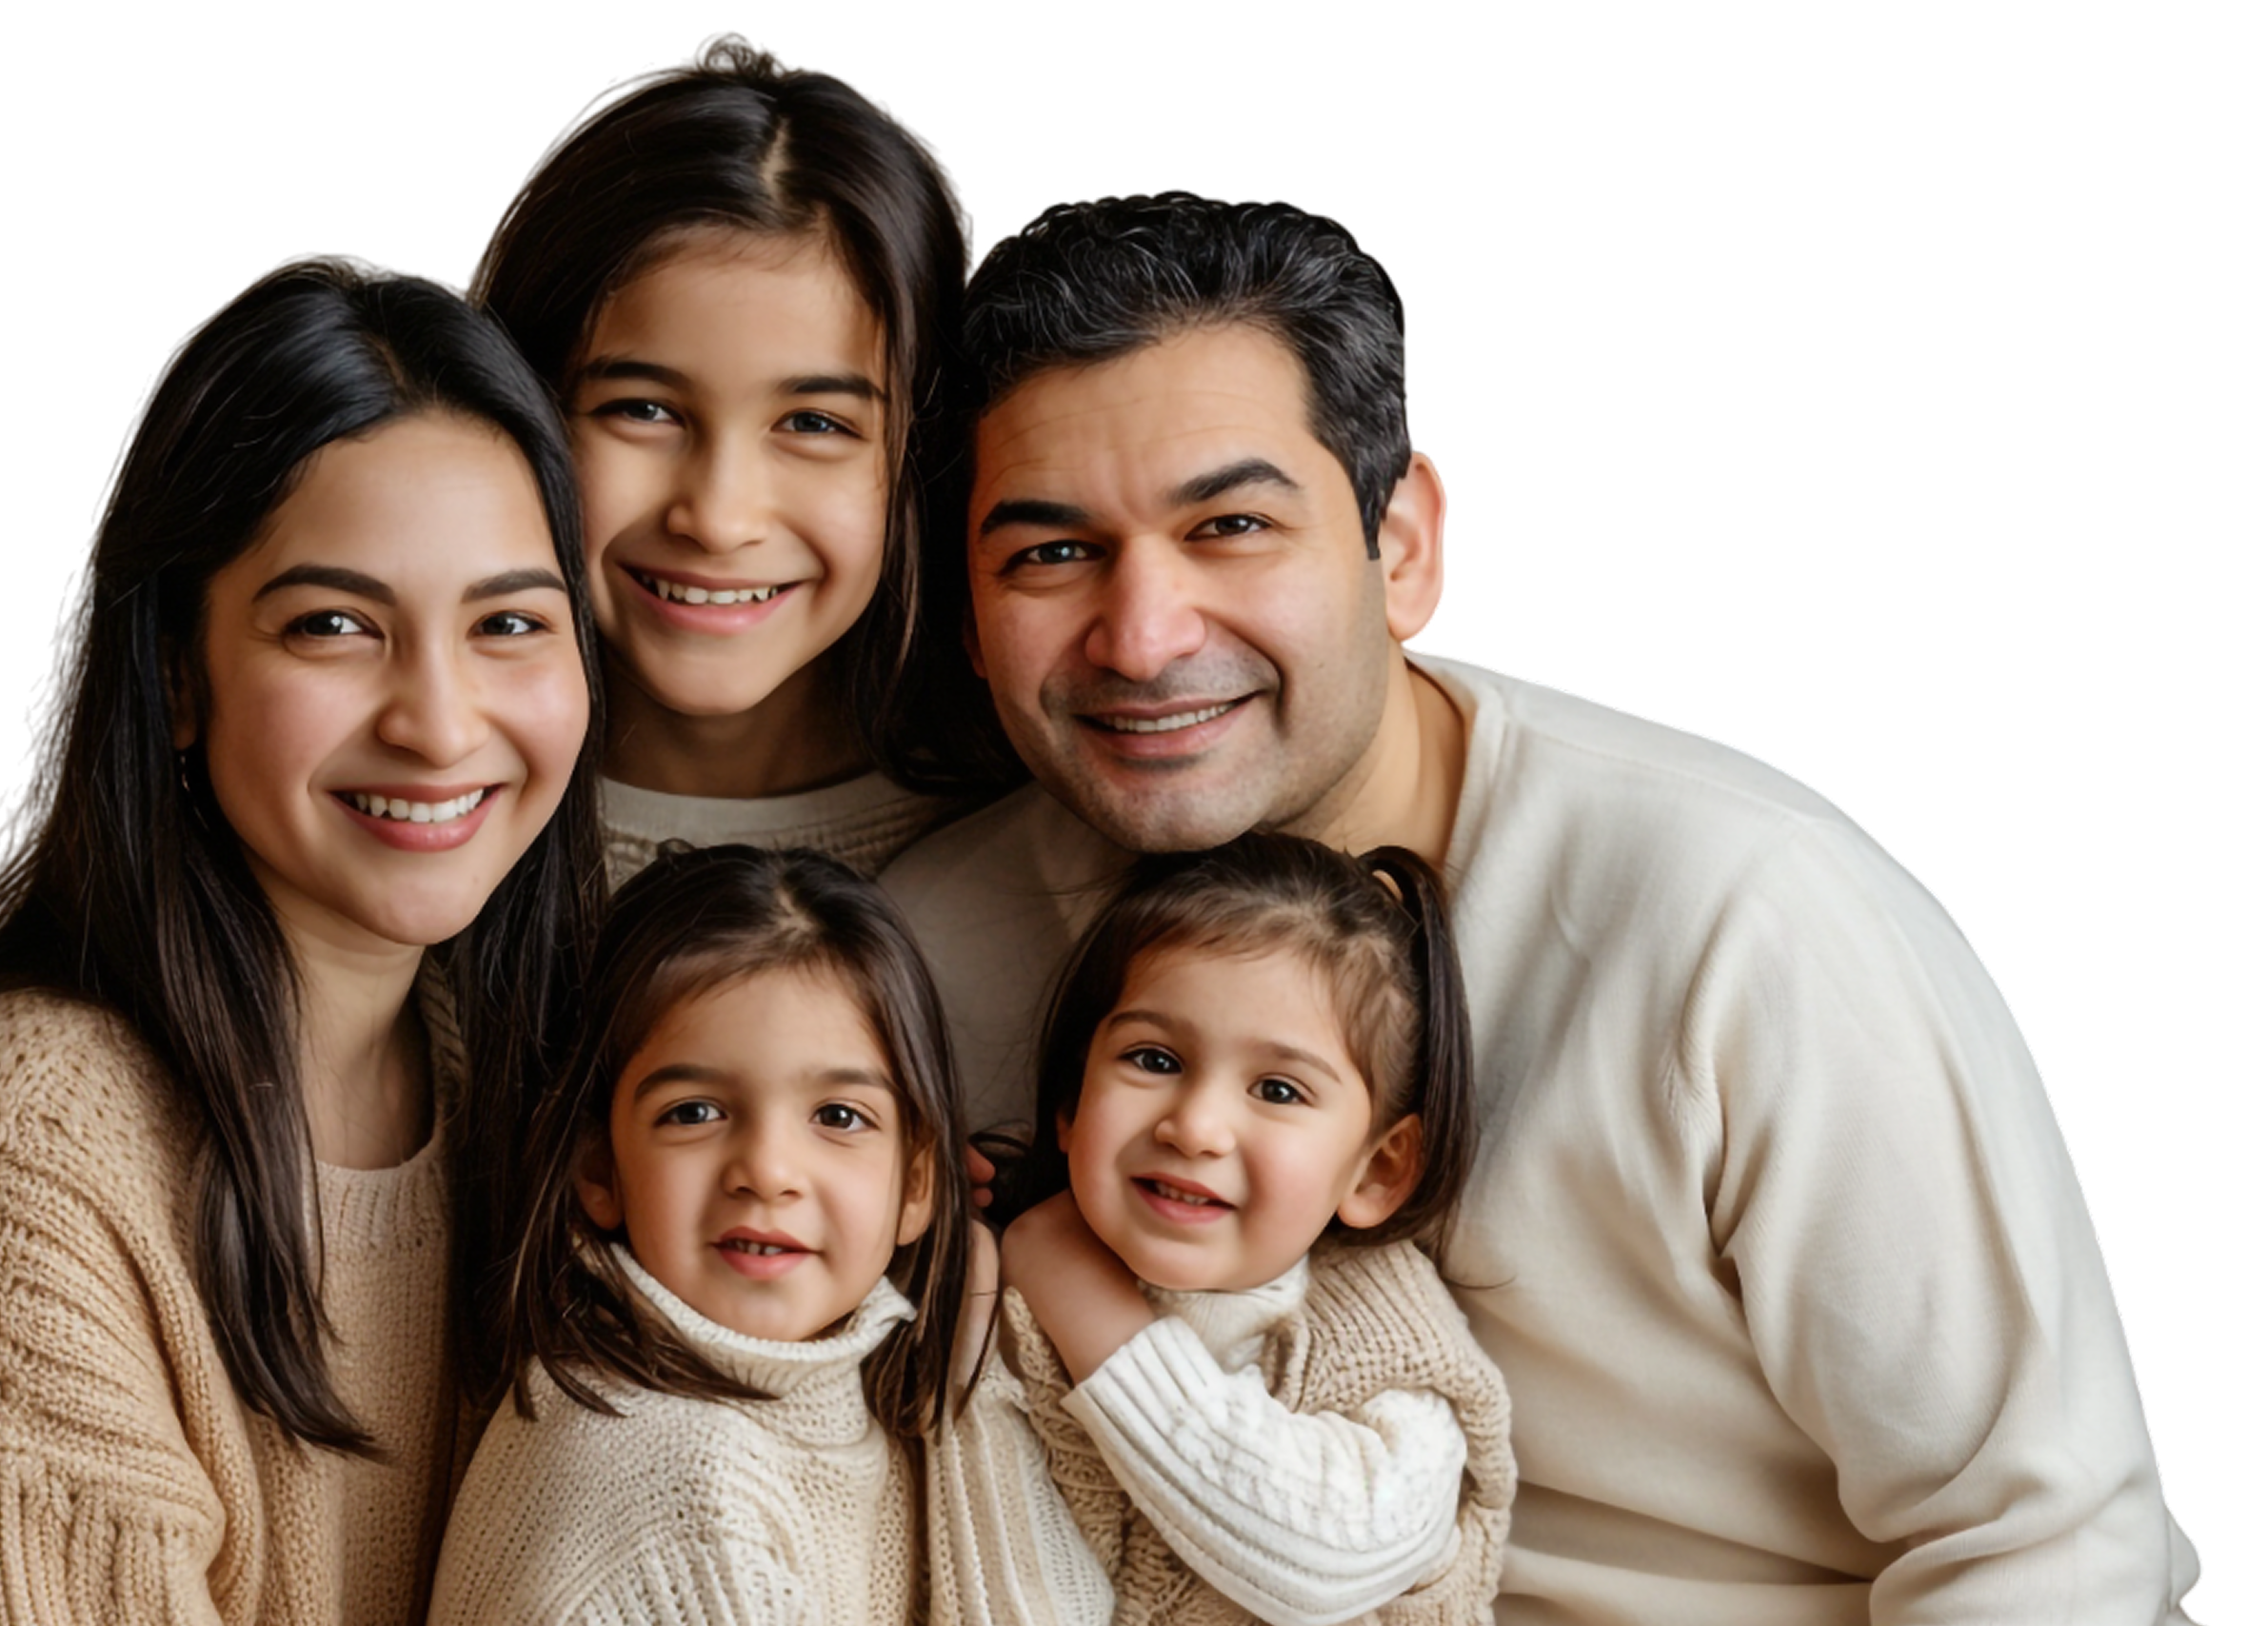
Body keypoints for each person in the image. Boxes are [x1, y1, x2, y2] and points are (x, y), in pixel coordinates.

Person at [0, 42, 998, 1623]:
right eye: (638, 407)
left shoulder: (553, 988)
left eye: (502, 626)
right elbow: (27, 1222)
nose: (719, 507)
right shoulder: (419, 899)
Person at [881, 194, 2203, 1621]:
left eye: (1234, 525)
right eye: (1051, 554)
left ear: (1404, 548)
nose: (1143, 637)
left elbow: (2047, 1550)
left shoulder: (1739, 912)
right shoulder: (934, 954)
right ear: (966, 609)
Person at [0, 258, 607, 1626]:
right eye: (333, 626)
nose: (440, 724)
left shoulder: (524, 1063)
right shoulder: (29, 1147)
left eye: (508, 624)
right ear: (173, 678)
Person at [952, 835, 1513, 1626]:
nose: (1197, 1126)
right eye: (1153, 1060)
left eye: (1278, 1089)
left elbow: (1328, 1560)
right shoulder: (994, 1284)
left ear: (1377, 1168)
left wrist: (1094, 1313)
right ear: (1073, 1103)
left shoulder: (1386, 1344)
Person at [471, 35, 990, 884]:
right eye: (642, 410)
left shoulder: (1039, 839)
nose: (717, 518)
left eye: (815, 423)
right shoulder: (421, 804)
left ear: (918, 454)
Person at [426, 844, 976, 1623]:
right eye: (695, 1113)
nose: (767, 1171)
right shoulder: (687, 1496)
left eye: (839, 1117)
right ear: (599, 1168)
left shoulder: (868, 1419)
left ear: (917, 1182)